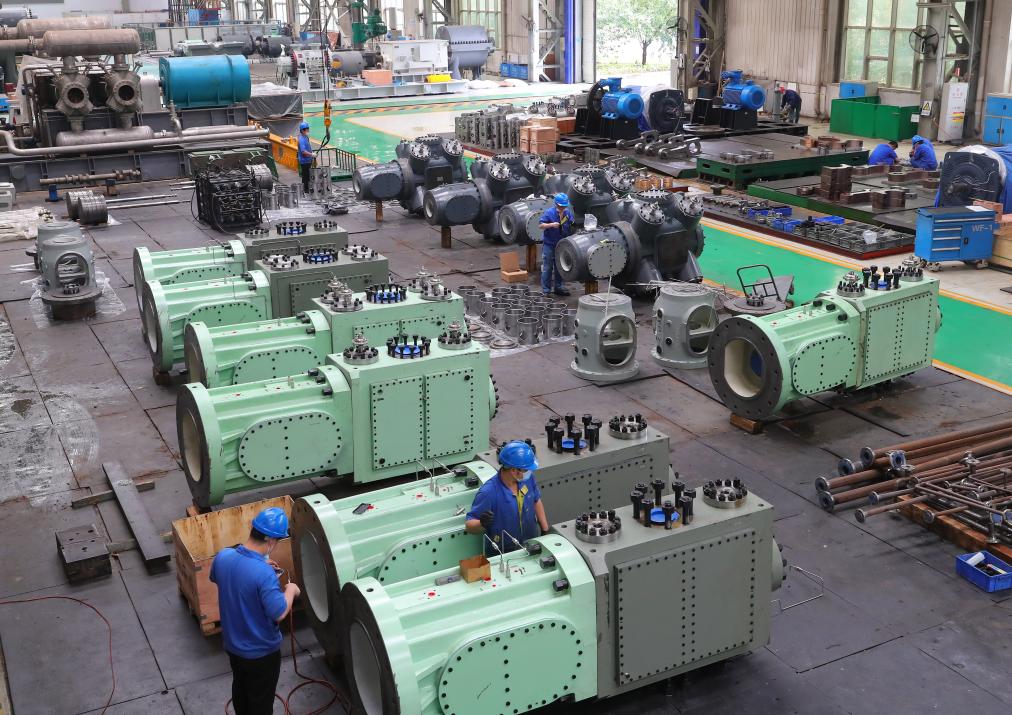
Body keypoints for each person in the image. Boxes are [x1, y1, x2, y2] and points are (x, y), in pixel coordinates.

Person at [210, 507, 301, 715]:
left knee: (240, 690)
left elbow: (221, 576)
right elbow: (278, 612)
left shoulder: (223, 557)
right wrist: (290, 590)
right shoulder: (264, 574)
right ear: (271, 541)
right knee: (260, 703)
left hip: (233, 646)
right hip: (261, 653)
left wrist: (258, 563)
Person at [465, 440, 549, 556]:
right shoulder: (489, 492)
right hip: (503, 553)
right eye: (526, 469)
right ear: (514, 470)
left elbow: (536, 500)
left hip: (530, 545)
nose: (529, 472)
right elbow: (469, 526)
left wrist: (545, 530)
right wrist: (481, 523)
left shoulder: (527, 479)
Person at [538, 192, 575, 297]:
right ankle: (546, 290)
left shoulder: (567, 213)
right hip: (549, 244)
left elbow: (572, 224)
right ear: (556, 204)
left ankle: (559, 287)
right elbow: (540, 225)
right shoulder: (549, 213)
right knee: (548, 267)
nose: (563, 208)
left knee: (560, 266)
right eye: (561, 206)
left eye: (564, 206)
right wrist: (551, 225)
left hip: (561, 245)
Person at [297, 121, 314, 194]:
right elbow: (303, 151)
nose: (308, 130)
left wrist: (311, 154)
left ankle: (307, 190)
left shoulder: (306, 137)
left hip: (308, 160)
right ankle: (305, 191)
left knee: (308, 176)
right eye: (307, 129)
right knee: (305, 177)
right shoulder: (301, 139)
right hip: (304, 161)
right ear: (303, 130)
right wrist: (311, 154)